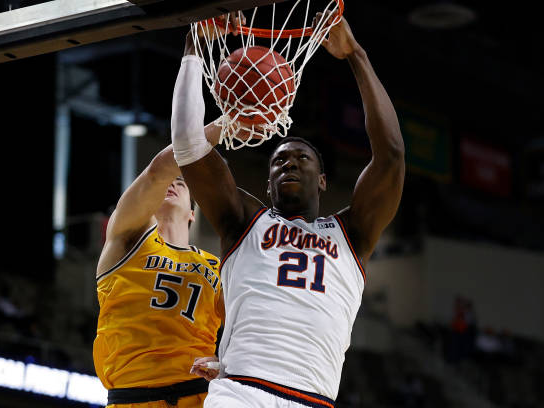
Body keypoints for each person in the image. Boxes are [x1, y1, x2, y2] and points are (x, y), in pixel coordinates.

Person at [174, 11, 405, 408]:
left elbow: (392, 157)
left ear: (322, 180)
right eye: (279, 161)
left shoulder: (353, 233)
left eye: (301, 158)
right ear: (267, 185)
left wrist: (356, 55)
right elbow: (189, 146)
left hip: (312, 400)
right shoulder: (246, 220)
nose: (289, 163)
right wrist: (195, 47)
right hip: (242, 390)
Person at [93, 121, 226, 407]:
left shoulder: (217, 266)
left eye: (180, 183)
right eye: (170, 181)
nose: (171, 184)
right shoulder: (128, 236)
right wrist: (223, 126)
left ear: (192, 213)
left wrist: (228, 361)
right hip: (131, 396)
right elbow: (157, 173)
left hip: (198, 395)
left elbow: (247, 326)